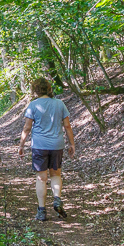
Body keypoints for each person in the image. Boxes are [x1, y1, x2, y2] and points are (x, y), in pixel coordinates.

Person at [17, 76, 77, 221]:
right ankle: (57, 199)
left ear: (35, 90)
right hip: (57, 145)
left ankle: (42, 211)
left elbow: (27, 127)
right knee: (56, 175)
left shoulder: (33, 105)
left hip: (39, 146)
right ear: (49, 89)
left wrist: (21, 145)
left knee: (41, 178)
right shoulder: (59, 104)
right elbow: (67, 126)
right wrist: (72, 144)